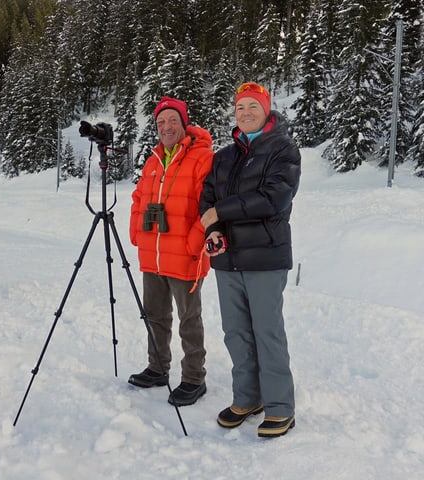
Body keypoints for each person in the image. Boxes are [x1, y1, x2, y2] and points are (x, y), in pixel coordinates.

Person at [199, 82, 301, 438]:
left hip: (265, 258)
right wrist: (211, 230)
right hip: (227, 259)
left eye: (252, 107)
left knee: (267, 332)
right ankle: (247, 398)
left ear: (266, 110)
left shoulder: (283, 150)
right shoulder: (224, 156)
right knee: (236, 333)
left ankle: (279, 408)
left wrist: (218, 213)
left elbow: (273, 198)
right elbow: (207, 197)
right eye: (240, 107)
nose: (245, 113)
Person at [128, 96, 214, 407]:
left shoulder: (202, 157)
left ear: (184, 123)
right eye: (160, 122)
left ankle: (194, 378)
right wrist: (137, 231)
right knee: (155, 315)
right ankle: (157, 368)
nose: (166, 127)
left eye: (172, 121)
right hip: (153, 253)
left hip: (185, 254)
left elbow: (210, 206)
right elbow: (139, 198)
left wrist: (194, 244)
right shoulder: (153, 160)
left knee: (189, 319)